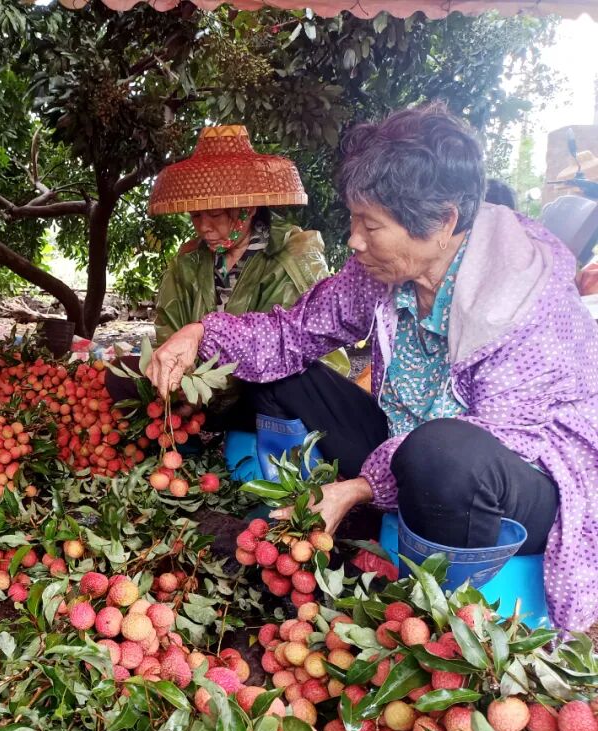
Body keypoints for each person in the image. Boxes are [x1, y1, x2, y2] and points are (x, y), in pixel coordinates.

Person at [146, 105, 598, 632]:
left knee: (441, 453)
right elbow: (297, 331)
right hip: (402, 447)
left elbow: (501, 435)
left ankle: (427, 612)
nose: (354, 240)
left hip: (516, 478)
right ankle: (293, 526)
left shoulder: (526, 299)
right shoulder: (383, 270)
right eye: (354, 220)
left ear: (443, 221)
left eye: (371, 224)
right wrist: (201, 331)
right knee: (282, 373)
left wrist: (360, 487)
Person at [107, 125, 345, 428]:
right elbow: (169, 327)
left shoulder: (291, 257)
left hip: (256, 392)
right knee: (122, 372)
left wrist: (218, 382)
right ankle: (184, 437)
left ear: (247, 208)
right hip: (196, 394)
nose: (204, 227)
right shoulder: (190, 260)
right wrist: (179, 383)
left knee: (282, 387)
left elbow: (300, 347)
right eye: (196, 216)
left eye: (216, 215)